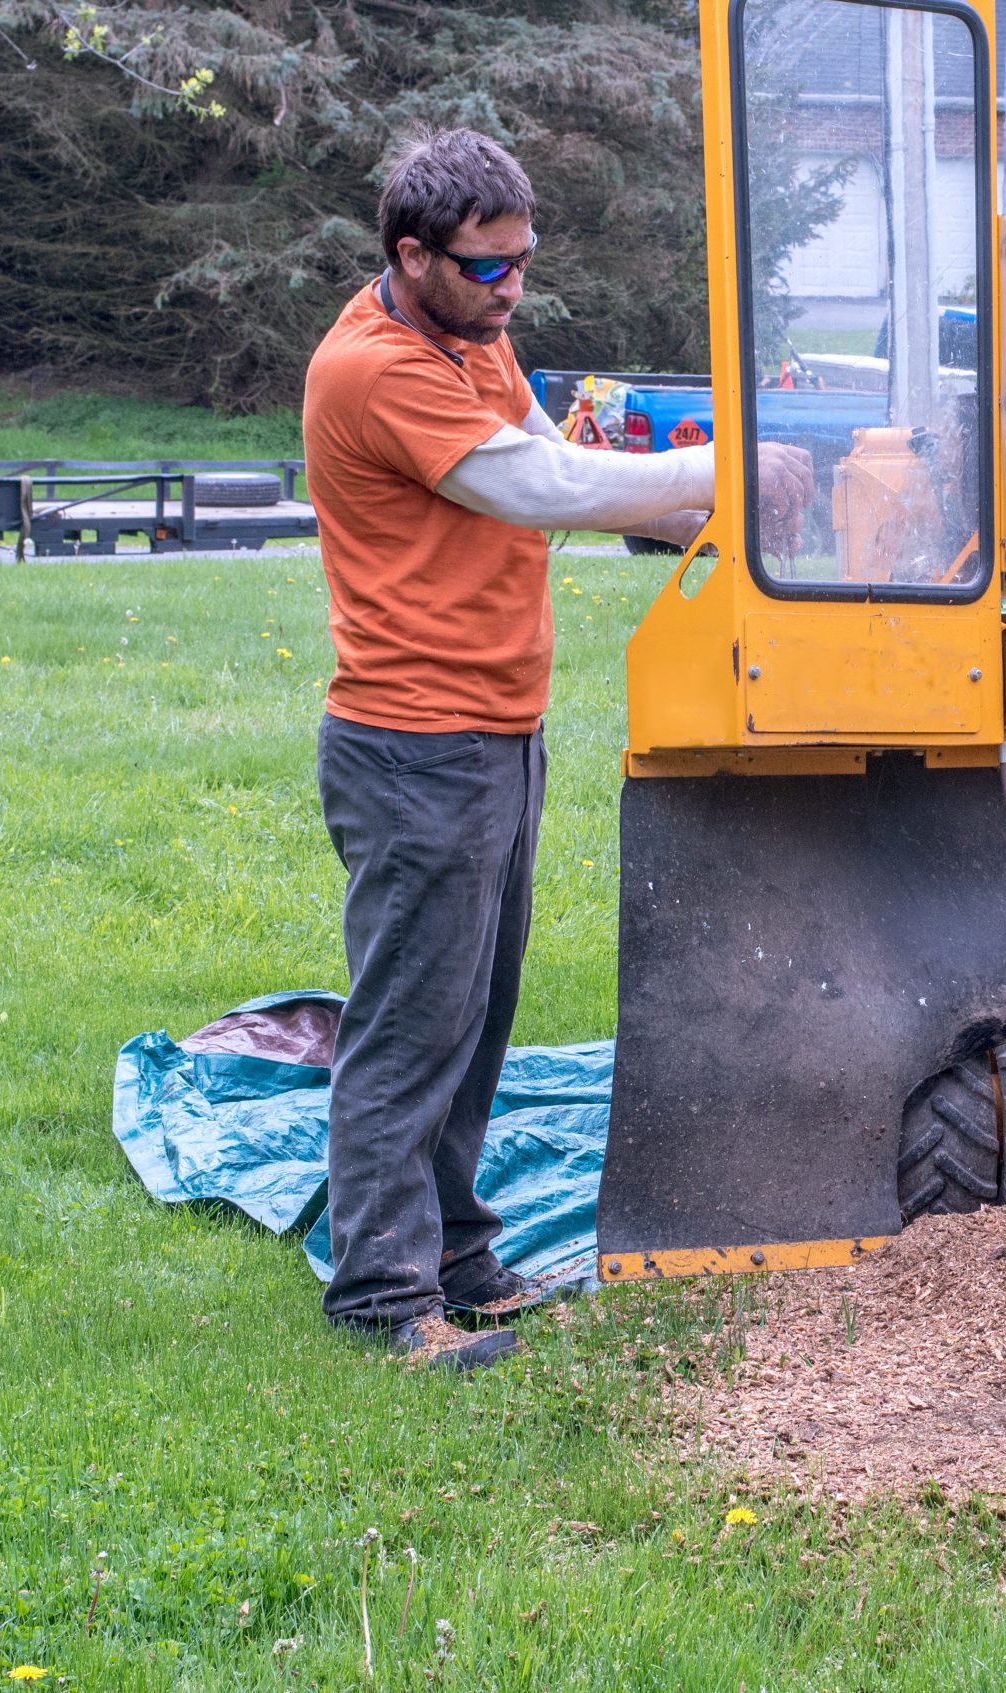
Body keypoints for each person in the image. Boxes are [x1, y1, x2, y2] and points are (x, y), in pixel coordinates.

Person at [301, 127, 810, 1370]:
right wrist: (727, 471)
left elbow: (561, 452)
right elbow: (539, 486)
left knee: (476, 1018)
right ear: (411, 255)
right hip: (414, 746)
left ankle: (460, 1251)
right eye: (485, 269)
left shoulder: (471, 330)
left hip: (492, 733)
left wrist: (692, 500)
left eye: (524, 262)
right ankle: (380, 1295)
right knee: (411, 1025)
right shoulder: (376, 368)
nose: (511, 287)